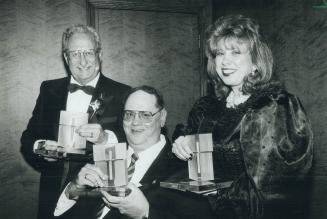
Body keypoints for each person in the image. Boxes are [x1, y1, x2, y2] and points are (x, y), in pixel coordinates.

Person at [171, 14, 313, 219]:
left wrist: (217, 194)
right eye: (220, 53)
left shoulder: (276, 106)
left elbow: (279, 189)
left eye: (235, 52)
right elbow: (187, 166)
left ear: (256, 62)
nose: (225, 61)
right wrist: (181, 145)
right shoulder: (205, 107)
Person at [20, 24, 130, 219]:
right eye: (75, 53)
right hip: (52, 195)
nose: (82, 60)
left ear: (100, 54)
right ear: (66, 57)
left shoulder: (123, 93)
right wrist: (41, 148)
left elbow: (136, 146)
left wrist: (105, 138)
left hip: (99, 197)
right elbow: (28, 138)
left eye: (88, 52)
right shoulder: (48, 90)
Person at [53, 85, 180, 219]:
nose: (135, 122)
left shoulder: (180, 169)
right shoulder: (105, 153)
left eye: (145, 115)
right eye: (129, 114)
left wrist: (146, 213)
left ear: (162, 117)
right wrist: (74, 188)